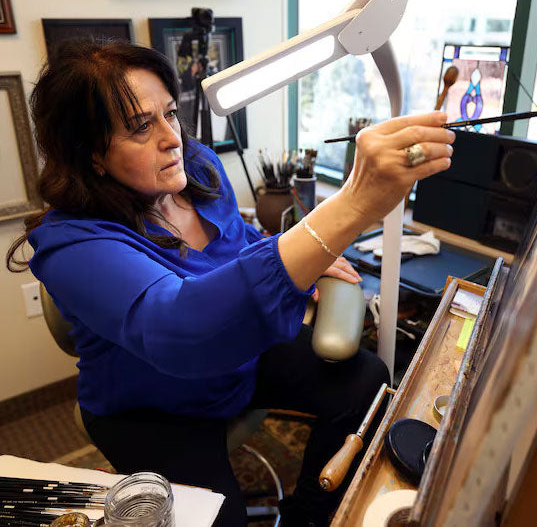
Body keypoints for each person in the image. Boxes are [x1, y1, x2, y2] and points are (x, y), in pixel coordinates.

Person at [6, 39, 455, 526]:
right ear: (91, 153)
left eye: (170, 114)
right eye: (140, 127)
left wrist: (299, 252)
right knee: (220, 519)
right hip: (151, 408)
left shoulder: (197, 167)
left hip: (234, 365)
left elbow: (241, 240)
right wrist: (351, 204)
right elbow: (183, 329)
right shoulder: (72, 246)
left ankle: (306, 516)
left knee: (366, 382)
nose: (172, 138)